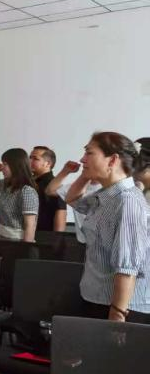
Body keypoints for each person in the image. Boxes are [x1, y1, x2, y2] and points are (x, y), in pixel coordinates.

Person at [64, 132, 150, 323]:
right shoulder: (107, 195)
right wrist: (85, 174)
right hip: (97, 298)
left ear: (112, 160)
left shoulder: (128, 201)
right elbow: (72, 199)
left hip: (120, 307)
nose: (82, 159)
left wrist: (117, 317)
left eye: (89, 153)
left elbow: (127, 268)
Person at [0, 149, 39, 241]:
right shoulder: (5, 184)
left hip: (18, 240)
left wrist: (26, 248)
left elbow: (30, 225)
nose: (2, 168)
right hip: (2, 237)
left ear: (16, 166)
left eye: (5, 164)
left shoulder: (27, 191)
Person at [29, 146, 67, 232]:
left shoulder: (54, 185)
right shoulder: (27, 181)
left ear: (48, 164)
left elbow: (61, 214)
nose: (30, 161)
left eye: (35, 158)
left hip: (42, 236)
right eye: (30, 157)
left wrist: (56, 239)